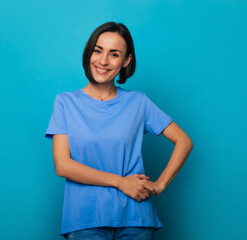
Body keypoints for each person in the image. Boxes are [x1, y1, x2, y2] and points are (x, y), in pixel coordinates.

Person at [45, 21, 193, 240]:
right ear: (89, 53)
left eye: (114, 54)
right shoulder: (66, 102)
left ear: (126, 61)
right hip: (85, 219)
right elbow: (63, 165)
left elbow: (184, 141)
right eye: (98, 51)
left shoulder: (138, 102)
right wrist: (122, 182)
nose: (103, 61)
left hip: (136, 217)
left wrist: (160, 184)